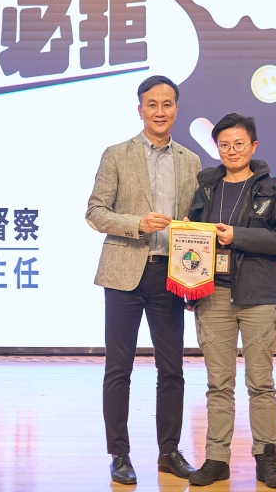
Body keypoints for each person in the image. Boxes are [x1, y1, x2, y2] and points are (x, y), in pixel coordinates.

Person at [86, 75, 202, 485]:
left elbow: (196, 222)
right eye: (152, 104)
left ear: (177, 109)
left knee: (172, 368)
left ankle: (169, 452)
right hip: (124, 272)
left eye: (167, 104)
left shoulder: (190, 161)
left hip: (170, 274)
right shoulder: (116, 154)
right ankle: (119, 454)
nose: (159, 111)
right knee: (119, 368)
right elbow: (95, 212)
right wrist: (136, 223)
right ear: (140, 110)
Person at [186, 113, 276, 489]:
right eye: (224, 144)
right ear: (216, 147)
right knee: (218, 384)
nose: (231, 151)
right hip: (213, 296)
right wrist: (188, 281)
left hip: (259, 297)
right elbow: (190, 239)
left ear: (253, 146)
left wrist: (239, 236)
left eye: (238, 144)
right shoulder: (205, 188)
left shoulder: (272, 188)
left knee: (260, 384)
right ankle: (216, 459)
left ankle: (266, 460)